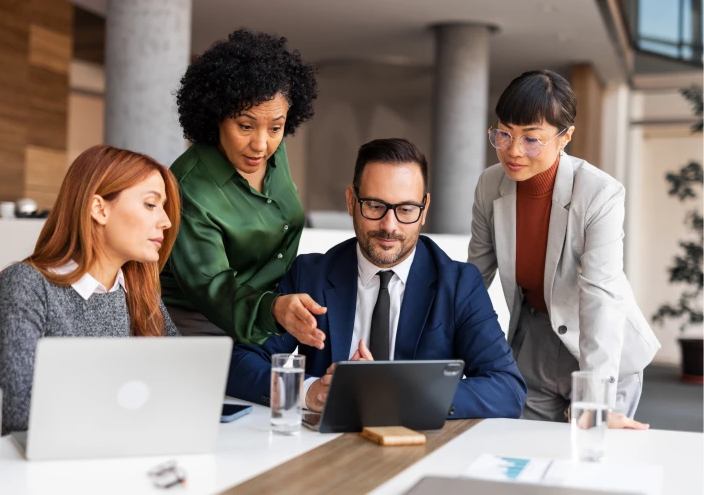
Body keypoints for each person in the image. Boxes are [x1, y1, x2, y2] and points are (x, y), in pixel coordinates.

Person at [227, 139, 527, 418]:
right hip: (323, 443)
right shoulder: (310, 275)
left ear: (424, 209)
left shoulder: (459, 284)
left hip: (417, 443)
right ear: (351, 201)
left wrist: (397, 394)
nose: (389, 226)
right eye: (374, 206)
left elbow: (506, 388)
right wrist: (308, 391)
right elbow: (240, 363)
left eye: (406, 209)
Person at [468, 70, 660, 426]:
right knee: (526, 450)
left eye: (531, 139)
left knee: (588, 451)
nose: (513, 151)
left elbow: (601, 294)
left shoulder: (599, 193)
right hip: (532, 343)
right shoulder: (490, 184)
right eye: (504, 133)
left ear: (565, 137)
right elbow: (474, 278)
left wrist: (595, 403)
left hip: (601, 347)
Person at [0, 145, 181, 434]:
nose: (166, 221)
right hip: (49, 457)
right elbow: (18, 412)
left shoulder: (140, 290)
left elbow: (179, 381)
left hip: (129, 446)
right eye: (151, 204)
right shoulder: (26, 285)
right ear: (99, 209)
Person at [161, 28, 325, 349]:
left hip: (272, 313)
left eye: (276, 127)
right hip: (203, 322)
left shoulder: (273, 149)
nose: (261, 145)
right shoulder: (188, 188)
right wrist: (273, 309)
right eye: (245, 126)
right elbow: (214, 289)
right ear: (216, 117)